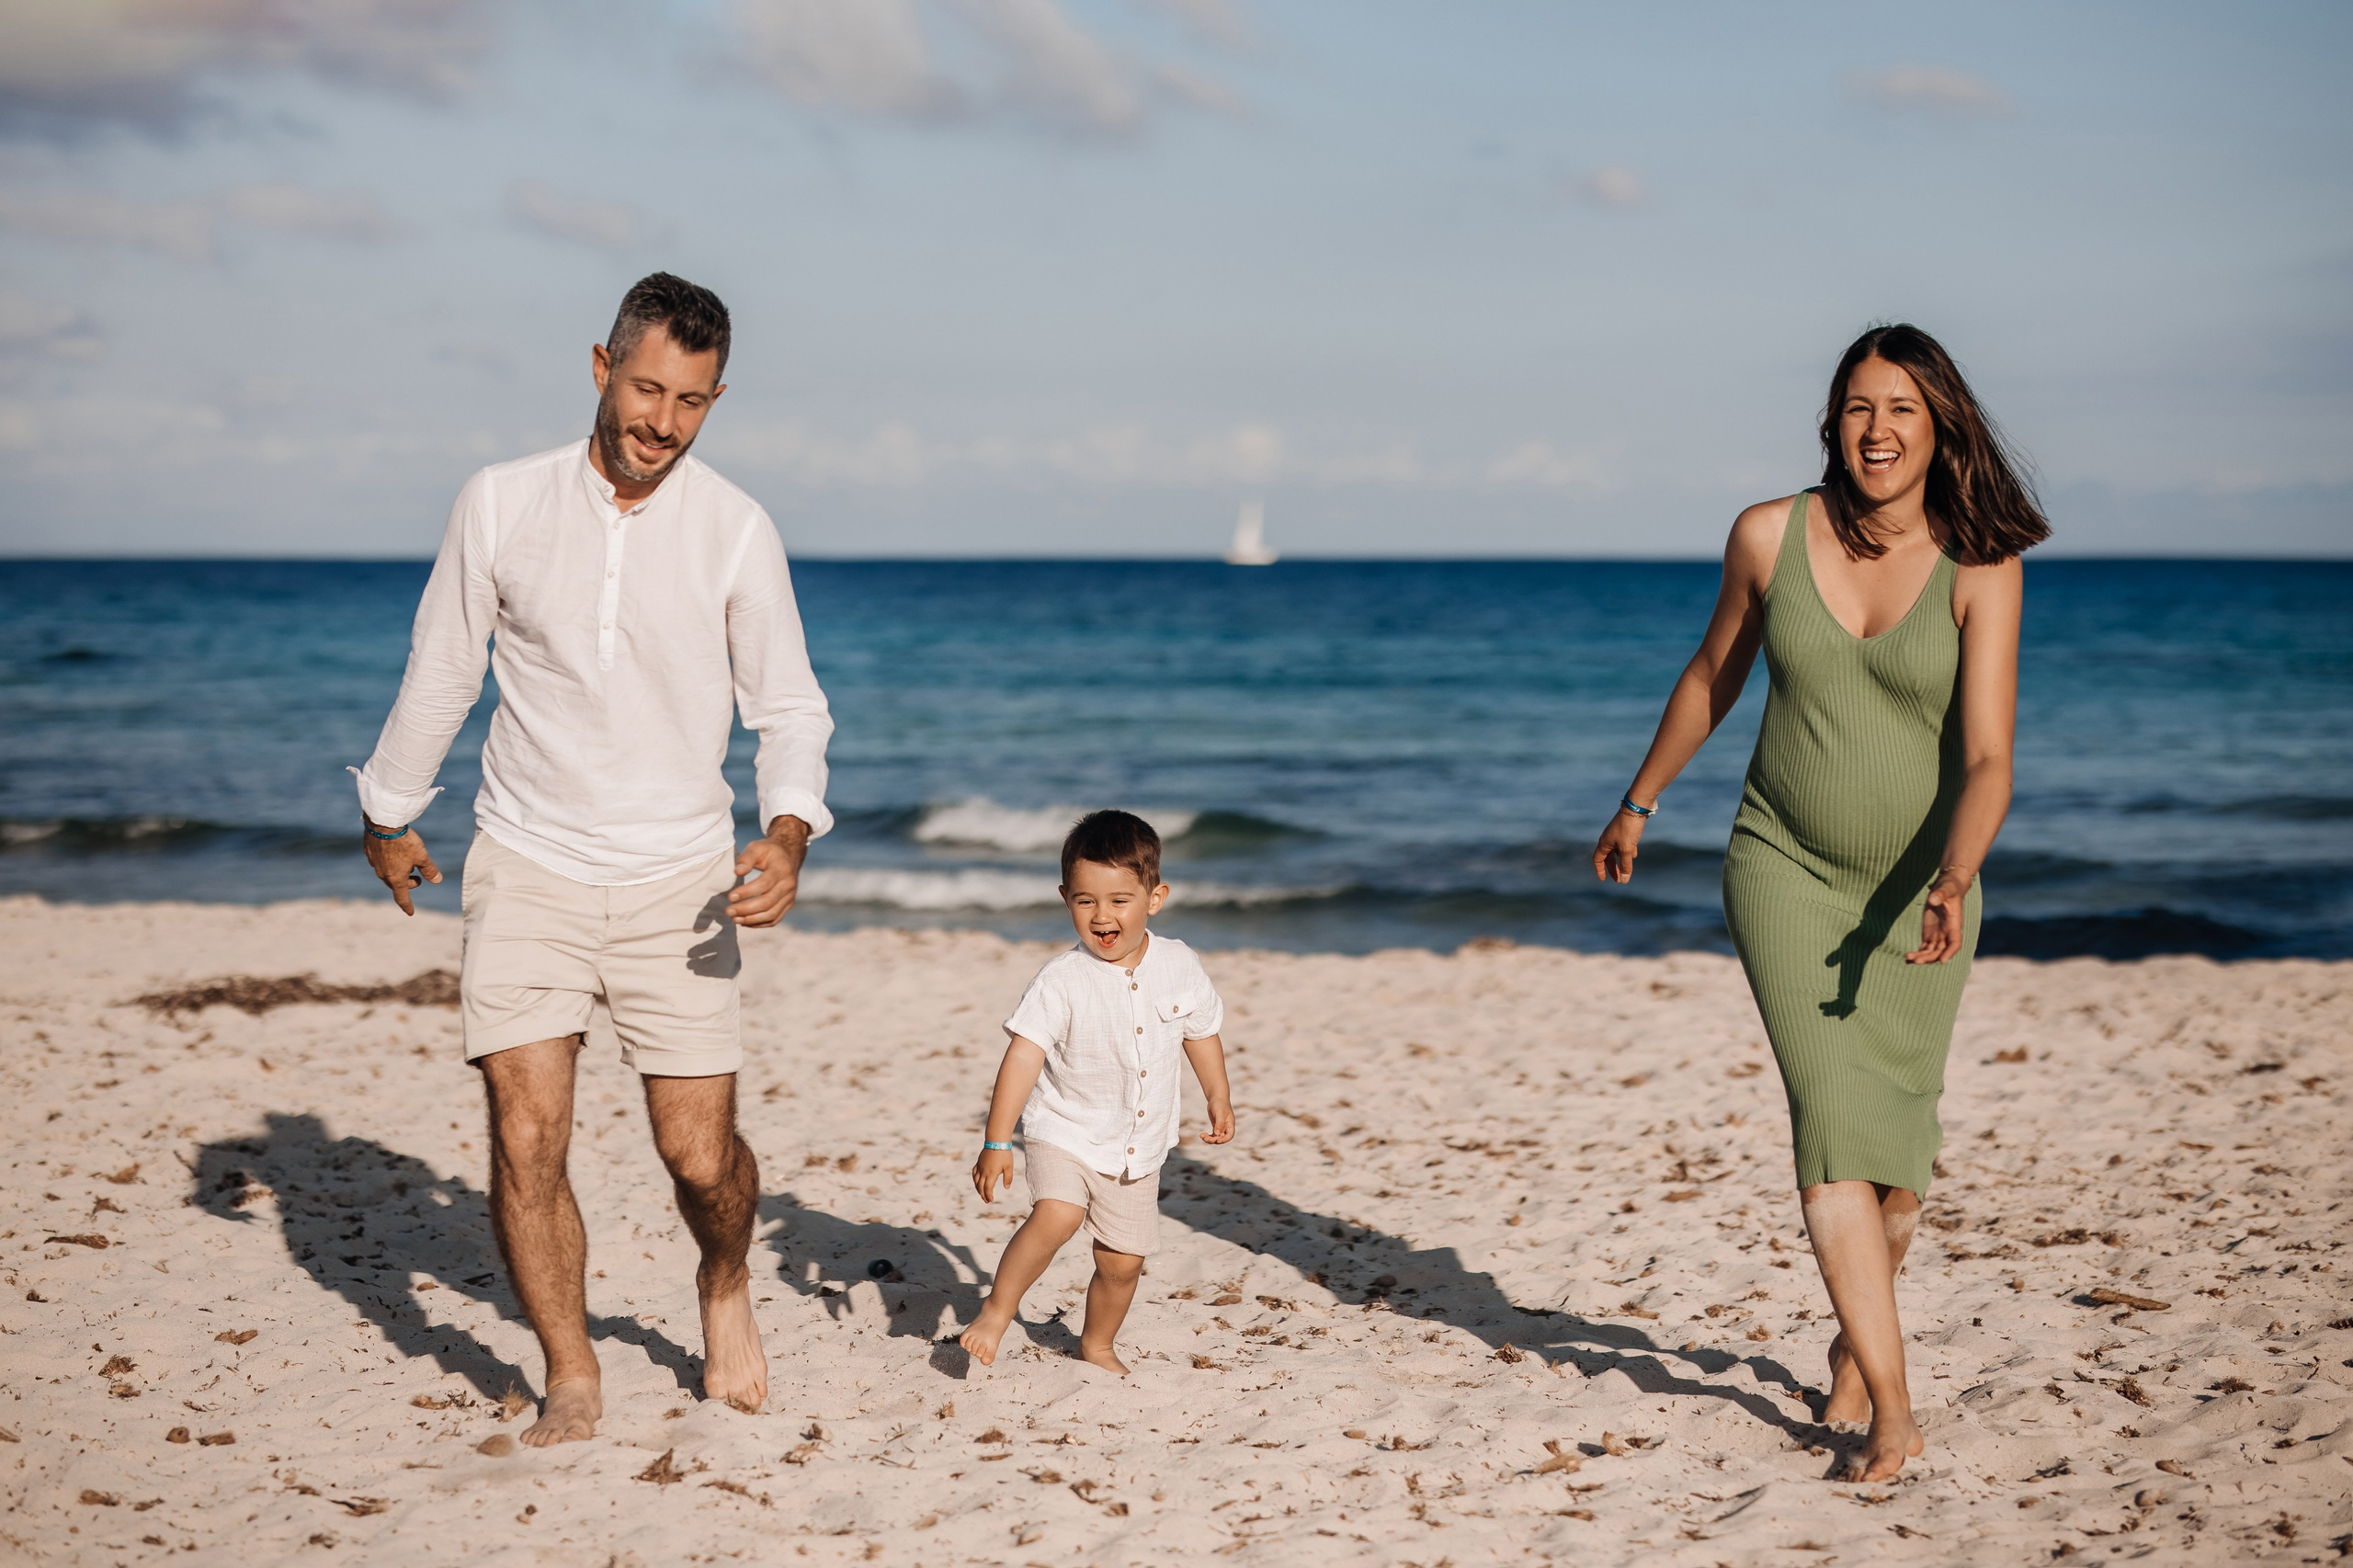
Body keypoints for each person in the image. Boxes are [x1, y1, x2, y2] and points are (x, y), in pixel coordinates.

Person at [350, 272, 835, 1444]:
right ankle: (571, 1368)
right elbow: (445, 665)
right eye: (648, 388)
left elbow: (788, 707)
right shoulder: (500, 501)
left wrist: (786, 832)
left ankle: (723, 1278)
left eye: (692, 400)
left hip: (681, 879)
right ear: (602, 366)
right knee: (526, 1135)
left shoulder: (734, 526)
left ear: (717, 401)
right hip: (528, 859)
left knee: (698, 1153)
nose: (663, 422)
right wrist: (389, 810)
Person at [1591, 324, 2047, 1482]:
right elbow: (1712, 674)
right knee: (1833, 1126)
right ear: (1831, 422)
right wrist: (1639, 799)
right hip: (1782, 866)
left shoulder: (1981, 564)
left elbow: (1988, 755)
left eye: (1900, 408)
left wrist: (1954, 873)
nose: (1876, 429)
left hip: (1922, 891)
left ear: (1940, 426)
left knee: (1897, 1162)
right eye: (1856, 406)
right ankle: (1892, 1409)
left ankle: (1856, 1336)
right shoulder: (1768, 534)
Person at [958, 811, 1236, 1374]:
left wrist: (1218, 1095)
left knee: (1122, 1262)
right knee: (1058, 1215)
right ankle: (997, 1310)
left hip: (1137, 1146)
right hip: (1065, 1129)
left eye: (1119, 901)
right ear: (1065, 899)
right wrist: (996, 1141)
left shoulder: (1179, 965)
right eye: (1085, 901)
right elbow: (1023, 1057)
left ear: (1155, 898)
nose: (1102, 916)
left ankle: (1097, 1343)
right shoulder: (1061, 979)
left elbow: (1201, 1032)